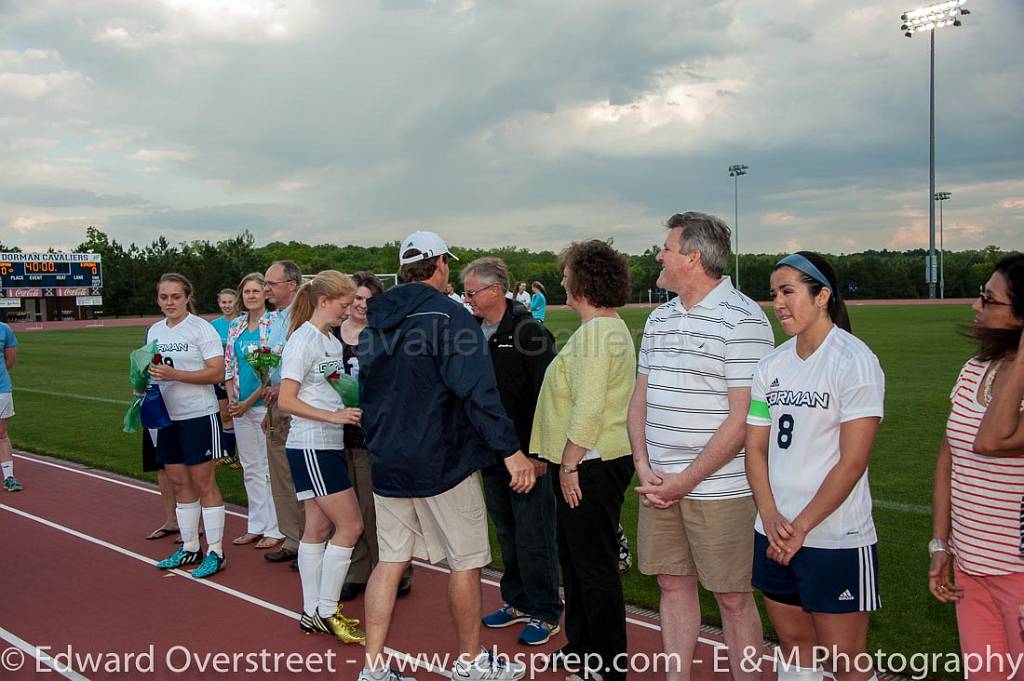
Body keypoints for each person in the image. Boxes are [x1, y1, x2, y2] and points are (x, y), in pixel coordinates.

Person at [357, 231, 534, 681]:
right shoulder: (450, 316)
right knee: (467, 560)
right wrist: (510, 450)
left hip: (389, 458)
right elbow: (477, 390)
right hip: (442, 458)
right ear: (438, 265)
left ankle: (373, 668)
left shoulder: (374, 320)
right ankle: (471, 662)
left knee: (391, 560)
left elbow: (372, 392)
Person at [631, 212, 773, 681]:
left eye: (667, 247)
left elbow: (743, 420)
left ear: (691, 257)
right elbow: (641, 398)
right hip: (658, 484)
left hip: (721, 491)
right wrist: (643, 464)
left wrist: (683, 481)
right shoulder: (659, 318)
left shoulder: (743, 320)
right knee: (672, 586)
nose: (659, 254)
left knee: (733, 598)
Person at [745, 252, 884, 681]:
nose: (779, 303)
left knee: (845, 657)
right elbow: (755, 449)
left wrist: (801, 526)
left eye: (789, 292)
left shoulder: (854, 361)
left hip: (833, 536)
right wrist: (770, 516)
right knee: (793, 644)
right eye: (774, 294)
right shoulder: (771, 365)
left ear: (822, 295)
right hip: (774, 530)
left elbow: (853, 460)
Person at [531, 240, 635, 681]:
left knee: (592, 565)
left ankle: (607, 663)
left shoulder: (598, 332)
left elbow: (590, 407)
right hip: (586, 459)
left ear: (583, 280)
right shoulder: (602, 328)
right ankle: (583, 645)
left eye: (566, 273)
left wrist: (570, 465)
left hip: (590, 461)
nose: (561, 281)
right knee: (575, 560)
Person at [462, 257, 562, 646]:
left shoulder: (529, 332)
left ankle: (545, 609)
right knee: (506, 529)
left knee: (534, 531)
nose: (467, 299)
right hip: (490, 452)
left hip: (526, 453)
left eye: (471, 292)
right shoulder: (470, 331)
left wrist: (539, 454)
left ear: (494, 291)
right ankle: (517, 600)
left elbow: (547, 398)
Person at [931, 254, 1024, 668]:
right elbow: (948, 457)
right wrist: (940, 543)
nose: (976, 307)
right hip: (971, 567)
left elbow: (992, 440)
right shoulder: (974, 368)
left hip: (1018, 573)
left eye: (989, 300)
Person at [277, 270, 366, 643]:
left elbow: (334, 387)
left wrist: (356, 398)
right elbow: (286, 400)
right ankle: (328, 610)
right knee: (352, 526)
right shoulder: (303, 341)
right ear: (324, 301)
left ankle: (311, 611)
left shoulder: (328, 341)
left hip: (325, 443)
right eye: (344, 305)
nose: (348, 311)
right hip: (312, 444)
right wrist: (333, 416)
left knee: (318, 528)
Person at [333, 272, 413, 601]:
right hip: (337, 430)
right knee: (347, 506)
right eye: (356, 299)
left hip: (375, 432)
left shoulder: (386, 335)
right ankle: (358, 569)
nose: (361, 305)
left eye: (368, 299)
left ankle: (393, 569)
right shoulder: (331, 335)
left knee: (375, 506)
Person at [149, 273, 230, 579]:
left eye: (175, 297)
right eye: (164, 297)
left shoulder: (201, 329)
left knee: (203, 482)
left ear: (187, 297)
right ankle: (190, 546)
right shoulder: (155, 330)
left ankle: (216, 551)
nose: (169, 303)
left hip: (199, 414)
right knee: (179, 482)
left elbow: (216, 373)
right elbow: (153, 366)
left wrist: (175, 376)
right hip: (166, 416)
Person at [224, 273, 285, 550]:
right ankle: (256, 525)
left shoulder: (273, 323)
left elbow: (271, 372)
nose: (251, 296)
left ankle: (276, 527)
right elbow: (228, 365)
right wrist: (232, 400)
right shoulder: (236, 326)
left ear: (265, 294)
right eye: (246, 291)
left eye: (256, 291)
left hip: (264, 406)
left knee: (269, 468)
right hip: (240, 408)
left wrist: (249, 401)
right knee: (250, 467)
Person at [262, 260, 306, 565]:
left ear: (291, 285)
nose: (266, 289)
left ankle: (310, 541)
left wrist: (285, 388)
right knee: (280, 475)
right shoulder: (274, 319)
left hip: (298, 406)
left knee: (301, 476)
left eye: (271, 284)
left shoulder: (302, 318)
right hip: (276, 404)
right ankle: (293, 538)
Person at [210, 289, 240, 468]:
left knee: (243, 415)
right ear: (219, 303)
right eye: (224, 302)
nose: (227, 305)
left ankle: (245, 457)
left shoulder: (243, 321)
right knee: (226, 415)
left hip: (238, 376)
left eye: (230, 301)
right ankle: (230, 454)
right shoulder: (214, 325)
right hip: (220, 376)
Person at [1, 319, 20, 492]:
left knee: (1, 434)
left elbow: (10, 360)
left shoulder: (4, 329)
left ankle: (9, 477)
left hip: (1, 389)